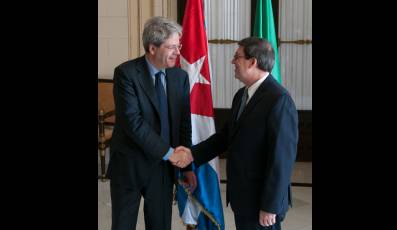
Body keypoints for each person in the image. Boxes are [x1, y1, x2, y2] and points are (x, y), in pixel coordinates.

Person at [174, 37, 299, 230]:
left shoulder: (279, 100)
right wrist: (191, 154)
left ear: (252, 62)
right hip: (243, 198)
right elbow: (225, 137)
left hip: (262, 203)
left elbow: (281, 160)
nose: (233, 62)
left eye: (237, 57)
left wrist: (270, 206)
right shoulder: (242, 95)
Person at [106, 16, 196, 230]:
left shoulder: (179, 77)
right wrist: (170, 152)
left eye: (179, 46)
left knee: (160, 225)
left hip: (163, 168)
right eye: (171, 47)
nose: (178, 52)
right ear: (152, 48)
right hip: (129, 165)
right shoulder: (125, 74)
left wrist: (187, 166)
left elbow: (184, 124)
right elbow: (133, 123)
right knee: (123, 225)